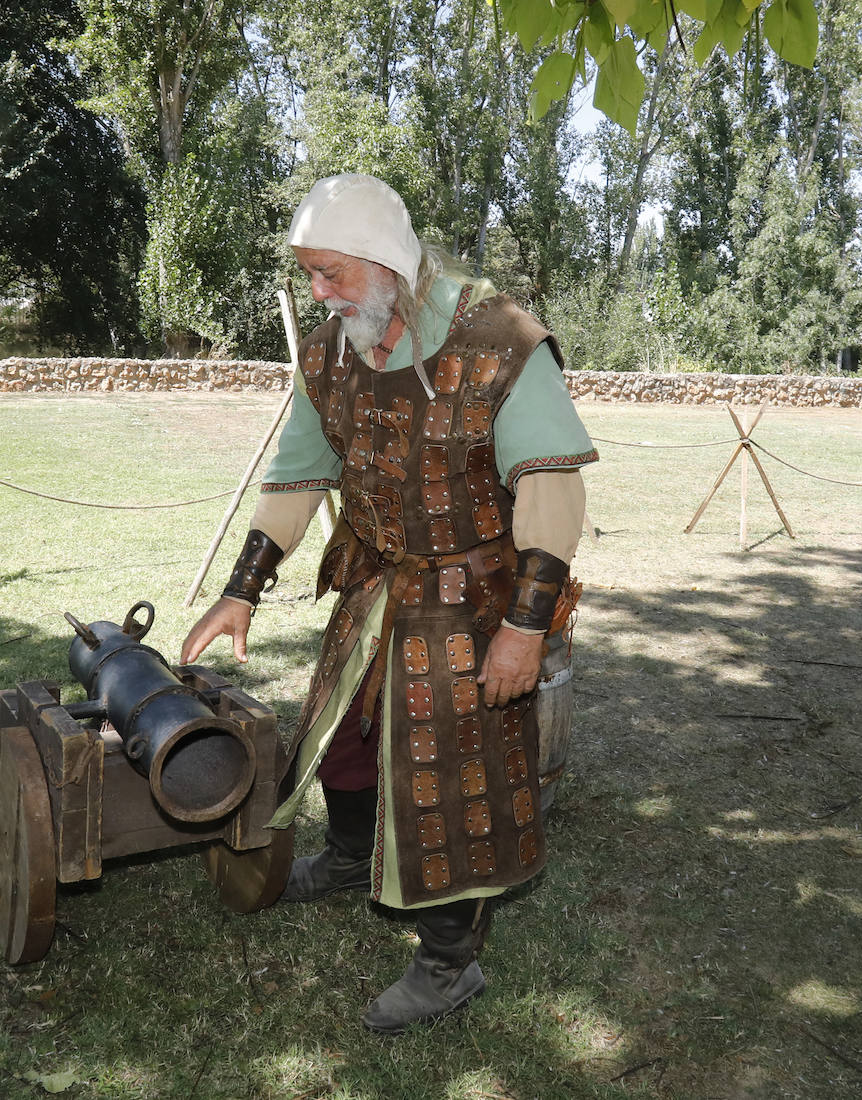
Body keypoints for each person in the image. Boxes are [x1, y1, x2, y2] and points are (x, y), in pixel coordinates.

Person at [181, 174, 598, 1034]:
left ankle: (450, 965)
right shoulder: (333, 351)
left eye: (329, 273)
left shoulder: (500, 341)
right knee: (346, 732)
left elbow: (550, 496)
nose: (318, 293)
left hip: (477, 600)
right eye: (310, 274)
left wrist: (523, 632)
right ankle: (343, 857)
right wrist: (239, 590)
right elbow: (299, 471)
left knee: (455, 785)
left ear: (384, 264)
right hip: (377, 579)